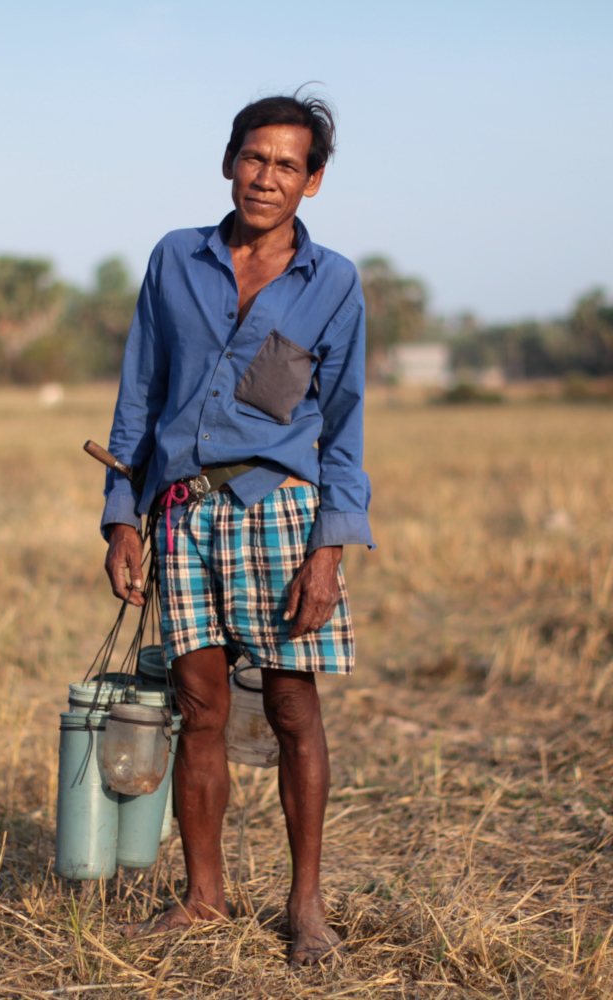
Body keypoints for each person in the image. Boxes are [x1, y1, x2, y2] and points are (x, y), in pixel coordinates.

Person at [98, 91, 373, 968]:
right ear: (228, 162)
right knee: (201, 709)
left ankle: (306, 907)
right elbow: (139, 394)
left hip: (278, 512)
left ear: (312, 182)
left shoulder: (332, 283)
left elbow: (344, 424)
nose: (266, 176)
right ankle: (204, 897)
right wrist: (121, 518)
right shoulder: (174, 259)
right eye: (255, 157)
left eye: (288, 165)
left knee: (291, 708)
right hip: (181, 512)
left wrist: (329, 548)